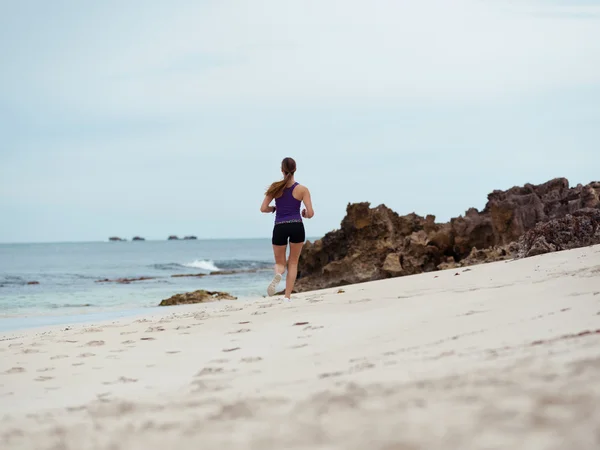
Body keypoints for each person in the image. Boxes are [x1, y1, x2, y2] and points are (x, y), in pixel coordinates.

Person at [260, 157, 314, 300]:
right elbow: (311, 213)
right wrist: (305, 214)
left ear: (282, 170)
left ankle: (278, 274)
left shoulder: (275, 188)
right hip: (296, 225)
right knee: (293, 262)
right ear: (295, 169)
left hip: (280, 227)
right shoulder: (302, 189)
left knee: (280, 263)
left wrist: (273, 209)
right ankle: (287, 297)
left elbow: (263, 208)